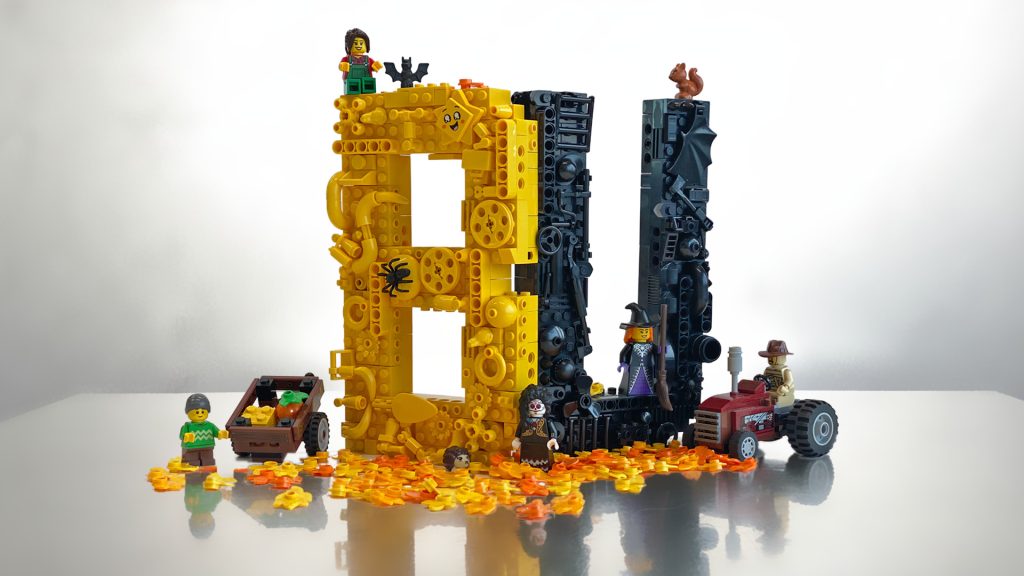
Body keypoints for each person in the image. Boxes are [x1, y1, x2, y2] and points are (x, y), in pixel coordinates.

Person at [512, 385, 559, 471]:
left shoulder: (547, 422)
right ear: (527, 407)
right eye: (532, 406)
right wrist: (516, 440)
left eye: (538, 406)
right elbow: (518, 433)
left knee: (542, 463)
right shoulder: (524, 421)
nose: (535, 409)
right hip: (526, 447)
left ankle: (543, 470)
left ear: (545, 407)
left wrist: (553, 439)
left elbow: (553, 431)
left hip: (542, 447)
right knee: (526, 464)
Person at [179, 393, 229, 467]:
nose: (200, 414)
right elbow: (182, 436)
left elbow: (216, 432)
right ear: (188, 412)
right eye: (196, 412)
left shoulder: (210, 425)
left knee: (207, 461)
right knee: (191, 461)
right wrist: (186, 436)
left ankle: (208, 469)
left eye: (202, 412)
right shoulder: (187, 426)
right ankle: (192, 470)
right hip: (190, 448)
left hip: (207, 447)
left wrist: (220, 434)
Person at [339, 28, 383, 95]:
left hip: (367, 84)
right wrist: (343, 66)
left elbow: (374, 67)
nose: (359, 46)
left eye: (361, 43)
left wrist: (376, 66)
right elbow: (341, 66)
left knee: (368, 90)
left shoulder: (368, 59)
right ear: (349, 45)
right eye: (355, 43)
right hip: (351, 85)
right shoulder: (346, 59)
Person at [759, 340, 795, 412]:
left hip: (782, 393)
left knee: (777, 397)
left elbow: (790, 381)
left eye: (773, 357)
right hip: (769, 392)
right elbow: (764, 379)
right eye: (769, 357)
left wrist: (785, 387)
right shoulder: (767, 369)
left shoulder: (785, 370)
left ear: (783, 357)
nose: (771, 359)